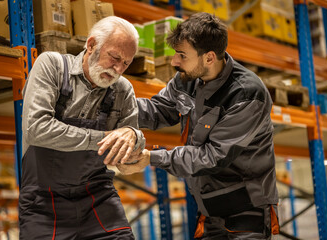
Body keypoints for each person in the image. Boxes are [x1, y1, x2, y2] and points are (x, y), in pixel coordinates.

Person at [118, 12, 279, 239]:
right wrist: (113, 108)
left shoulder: (246, 94)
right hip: (210, 208)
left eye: (182, 55)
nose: (174, 61)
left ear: (209, 58)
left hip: (247, 210)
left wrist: (151, 157)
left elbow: (212, 157)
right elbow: (159, 109)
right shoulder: (188, 79)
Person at [19, 16, 145, 240]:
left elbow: (128, 148)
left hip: (98, 198)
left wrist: (133, 136)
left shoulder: (123, 89)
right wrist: (105, 137)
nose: (118, 69)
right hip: (43, 202)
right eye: (114, 57)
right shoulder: (52, 67)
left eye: (126, 63)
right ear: (91, 44)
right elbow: (37, 128)